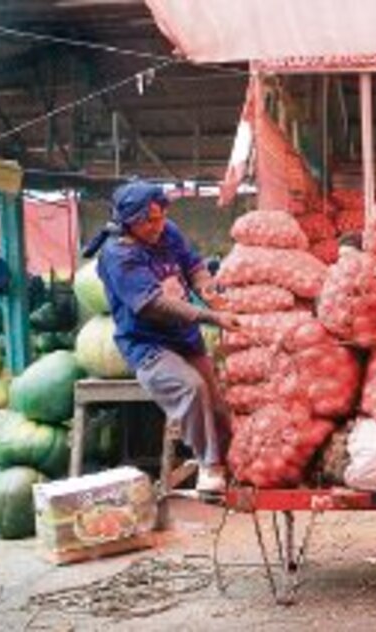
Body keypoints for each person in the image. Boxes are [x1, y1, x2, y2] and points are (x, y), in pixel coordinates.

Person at [85, 181, 240, 493]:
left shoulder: (167, 230)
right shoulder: (118, 255)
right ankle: (210, 467)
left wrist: (210, 294)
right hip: (147, 345)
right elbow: (154, 305)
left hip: (184, 337)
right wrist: (211, 316)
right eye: (150, 220)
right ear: (130, 221)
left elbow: (193, 266)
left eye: (161, 217)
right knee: (191, 388)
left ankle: (233, 464)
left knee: (220, 408)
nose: (159, 225)